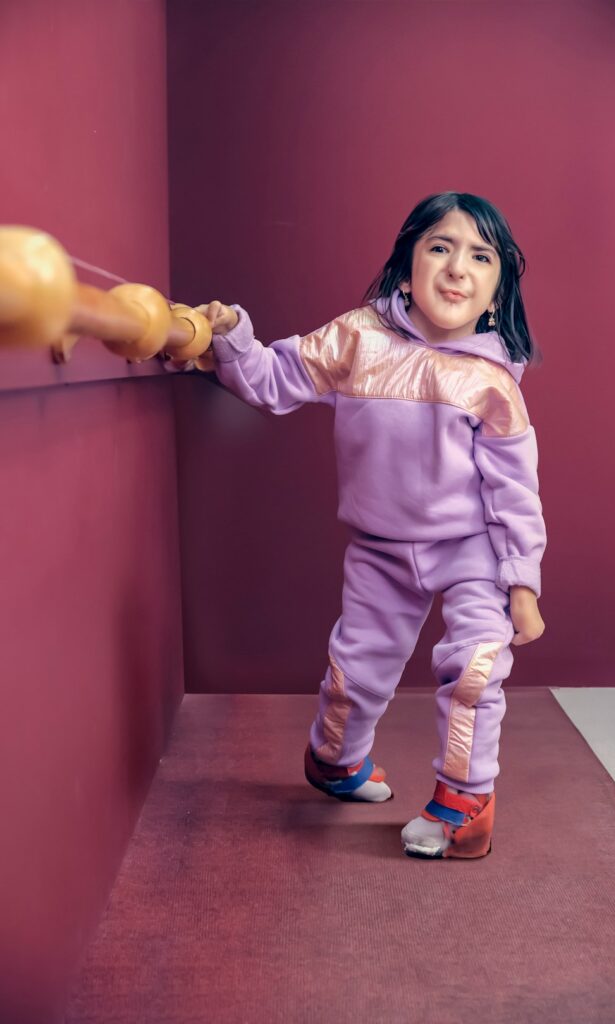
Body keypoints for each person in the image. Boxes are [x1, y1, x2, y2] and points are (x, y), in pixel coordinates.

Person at [174, 191, 547, 859]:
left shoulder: (493, 383)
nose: (457, 266)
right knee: (357, 671)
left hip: (472, 550)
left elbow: (514, 489)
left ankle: (465, 806)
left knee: (474, 667)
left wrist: (521, 581)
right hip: (380, 549)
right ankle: (335, 762)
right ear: (406, 268)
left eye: (479, 256)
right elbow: (272, 379)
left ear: (495, 292)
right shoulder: (357, 338)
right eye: (440, 247)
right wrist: (228, 335)